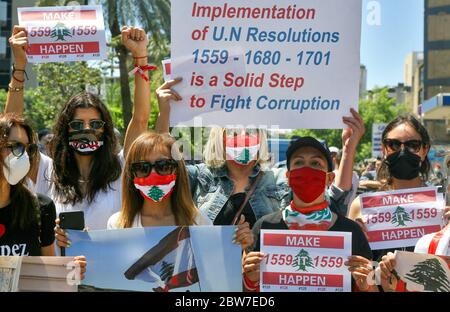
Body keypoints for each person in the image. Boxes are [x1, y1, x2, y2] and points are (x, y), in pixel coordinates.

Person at [154, 79, 365, 225]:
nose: (244, 136)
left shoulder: (280, 180)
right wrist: (164, 113)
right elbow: (160, 168)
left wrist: (349, 149)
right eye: (235, 131)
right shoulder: (199, 177)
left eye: (252, 130)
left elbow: (334, 205)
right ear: (221, 135)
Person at [5, 25, 151, 231]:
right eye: (77, 124)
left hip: (111, 264)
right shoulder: (48, 172)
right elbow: (13, 127)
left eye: (95, 124)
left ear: (106, 130)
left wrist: (140, 56)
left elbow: (141, 119)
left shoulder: (120, 169)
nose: (87, 130)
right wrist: (20, 66)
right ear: (65, 130)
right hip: (61, 263)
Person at [241, 136, 372, 291]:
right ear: (288, 177)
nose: (306, 169)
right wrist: (249, 281)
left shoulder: (351, 231)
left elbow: (370, 286)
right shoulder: (265, 226)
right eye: (299, 162)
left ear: (329, 178)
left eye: (316, 163)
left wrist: (367, 285)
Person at [106, 131, 253, 251]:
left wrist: (235, 246)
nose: (153, 175)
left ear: (178, 171)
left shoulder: (197, 221)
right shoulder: (118, 224)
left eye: (163, 166)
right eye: (142, 168)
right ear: (131, 175)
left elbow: (213, 269)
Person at [0, 113, 86, 278]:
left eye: (29, 149)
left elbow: (48, 276)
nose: (24, 156)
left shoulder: (40, 207)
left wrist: (70, 270)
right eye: (16, 146)